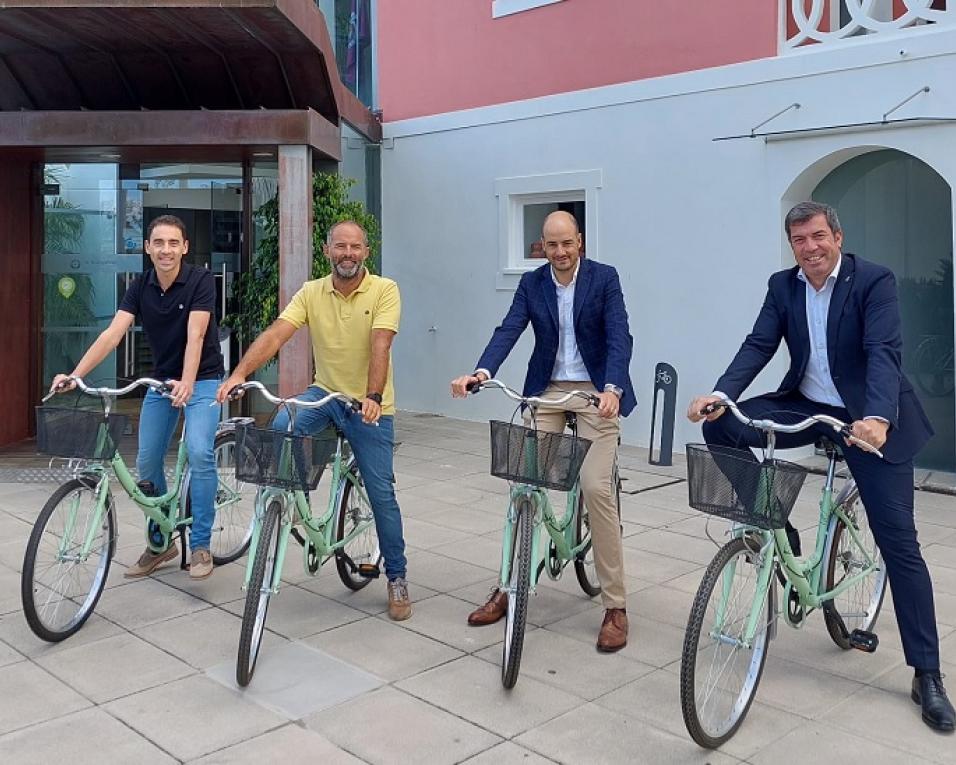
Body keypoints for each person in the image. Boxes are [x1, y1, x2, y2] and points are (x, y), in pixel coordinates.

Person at [687, 201, 954, 733]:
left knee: (899, 544)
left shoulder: (873, 281)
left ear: (837, 235)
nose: (808, 249)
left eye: (816, 237)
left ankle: (928, 673)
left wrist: (877, 417)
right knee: (720, 425)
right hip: (809, 406)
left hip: (868, 417)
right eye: (798, 241)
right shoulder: (783, 286)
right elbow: (758, 344)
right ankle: (771, 516)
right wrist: (721, 393)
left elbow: (884, 351)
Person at [451, 210, 636, 652]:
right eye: (551, 245)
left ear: (580, 242)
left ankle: (615, 605)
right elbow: (509, 328)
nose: (559, 252)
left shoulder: (604, 278)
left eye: (566, 243)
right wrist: (481, 370)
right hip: (547, 391)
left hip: (595, 394)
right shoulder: (532, 284)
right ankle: (507, 584)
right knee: (523, 485)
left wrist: (613, 387)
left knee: (596, 489)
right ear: (542, 246)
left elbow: (619, 337)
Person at [216, 220, 412, 621]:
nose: (348, 254)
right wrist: (240, 373)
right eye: (340, 246)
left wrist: (373, 396)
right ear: (327, 251)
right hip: (323, 394)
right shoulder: (311, 292)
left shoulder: (384, 290)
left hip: (368, 404)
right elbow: (276, 334)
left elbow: (381, 344)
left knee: (381, 493)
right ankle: (286, 502)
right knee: (282, 424)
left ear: (366, 251)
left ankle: (397, 576)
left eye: (355, 247)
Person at [51, 214, 224, 580]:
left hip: (203, 379)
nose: (166, 250)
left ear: (185, 248)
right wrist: (75, 375)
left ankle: (201, 545)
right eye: (158, 243)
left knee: (198, 450)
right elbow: (113, 334)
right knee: (146, 463)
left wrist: (189, 382)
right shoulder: (139, 285)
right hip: (161, 382)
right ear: (147, 248)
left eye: (173, 243)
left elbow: (196, 336)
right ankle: (161, 543)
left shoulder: (200, 280)